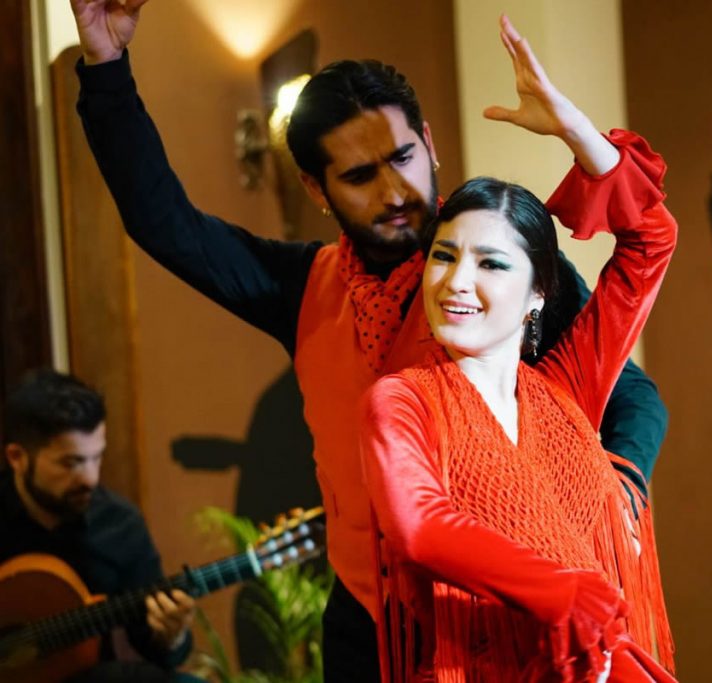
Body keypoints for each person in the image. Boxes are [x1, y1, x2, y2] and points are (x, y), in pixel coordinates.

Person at [69, 2, 669, 680]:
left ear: (431, 142)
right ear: (314, 188)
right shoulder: (302, 287)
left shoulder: (498, 270)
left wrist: (611, 496)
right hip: (366, 622)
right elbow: (165, 223)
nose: (393, 191)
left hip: (499, 621)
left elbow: (634, 393)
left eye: (403, 157)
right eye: (359, 176)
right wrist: (106, 66)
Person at [360, 18, 676, 682]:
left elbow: (651, 240)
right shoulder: (403, 400)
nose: (456, 281)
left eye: (491, 264)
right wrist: (565, 590)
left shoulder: (567, 389)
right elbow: (419, 525)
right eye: (444, 256)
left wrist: (576, 132)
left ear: (539, 292)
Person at [0, 369, 197, 683]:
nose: (90, 479)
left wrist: (172, 636)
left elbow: (159, 652)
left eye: (97, 458)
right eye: (71, 463)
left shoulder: (119, 525)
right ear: (17, 457)